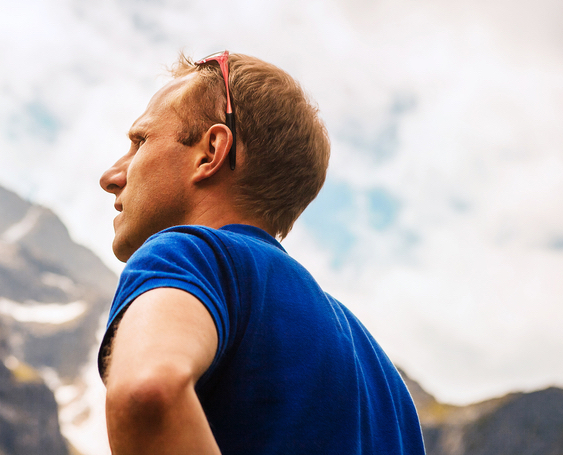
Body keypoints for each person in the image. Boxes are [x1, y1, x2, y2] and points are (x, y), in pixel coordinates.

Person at [97, 51, 426, 455]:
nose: (110, 177)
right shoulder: (386, 386)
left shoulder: (190, 256)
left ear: (210, 152)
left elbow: (145, 392)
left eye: (140, 141)